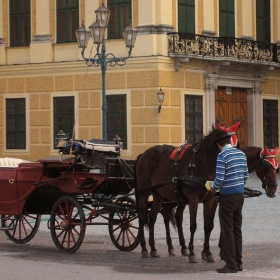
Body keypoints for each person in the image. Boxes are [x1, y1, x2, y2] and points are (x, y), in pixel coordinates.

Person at [210, 130, 249, 273]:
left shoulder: (222, 156)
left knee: (227, 231)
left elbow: (219, 178)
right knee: (237, 229)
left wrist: (213, 189)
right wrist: (238, 185)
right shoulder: (241, 154)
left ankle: (231, 264)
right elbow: (245, 175)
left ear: (218, 145)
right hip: (239, 196)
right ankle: (239, 262)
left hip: (227, 197)